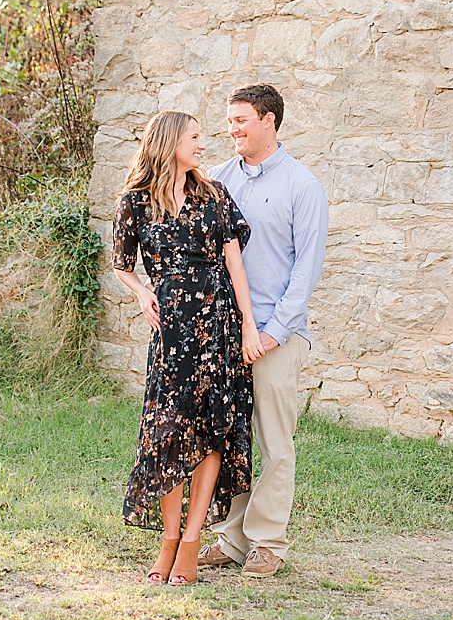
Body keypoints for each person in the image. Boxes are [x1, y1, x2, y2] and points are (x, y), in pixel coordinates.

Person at [113, 110, 262, 586]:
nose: (203, 144)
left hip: (217, 324)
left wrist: (249, 328)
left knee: (212, 433)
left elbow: (235, 266)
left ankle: (193, 543)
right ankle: (169, 540)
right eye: (195, 137)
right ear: (170, 141)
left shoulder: (214, 194)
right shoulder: (135, 201)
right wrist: (140, 292)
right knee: (168, 435)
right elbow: (121, 263)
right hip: (171, 332)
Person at [195, 84, 328, 579]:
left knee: (275, 442)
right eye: (229, 121)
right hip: (225, 334)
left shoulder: (302, 185)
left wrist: (270, 334)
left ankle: (268, 542)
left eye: (242, 121)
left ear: (269, 121)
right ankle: (230, 540)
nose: (232, 130)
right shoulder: (217, 180)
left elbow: (306, 271)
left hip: (277, 335)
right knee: (231, 439)